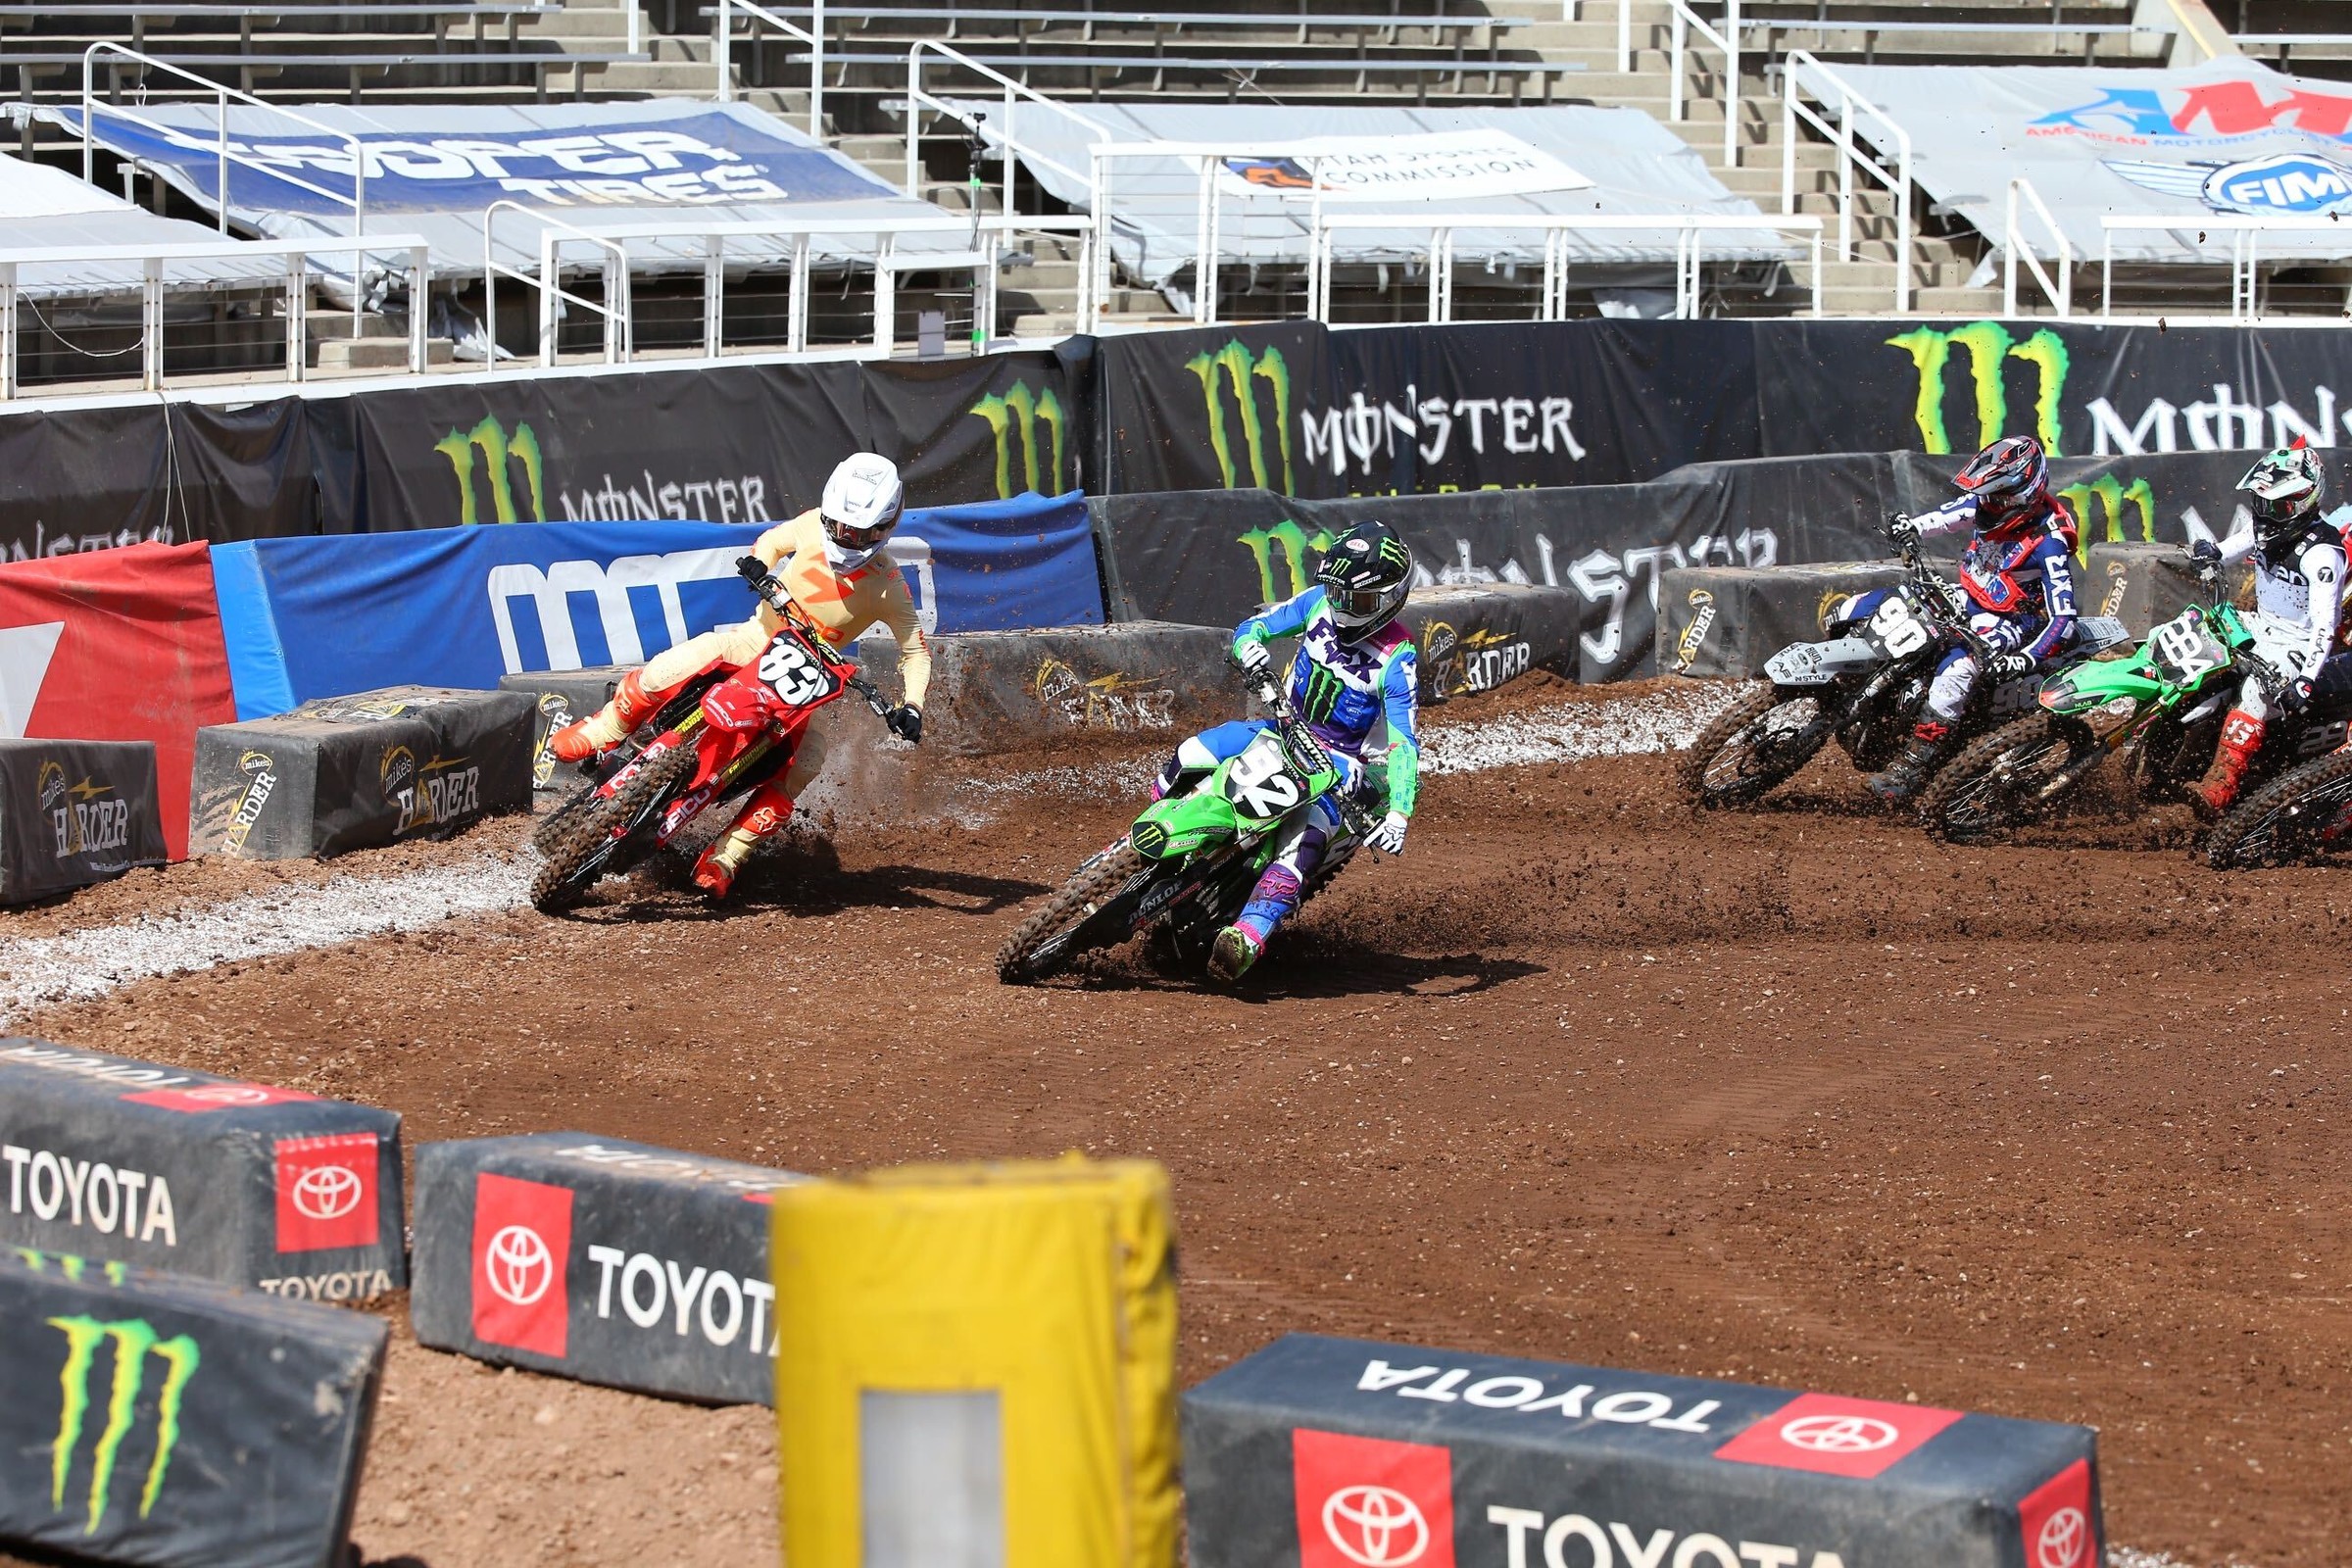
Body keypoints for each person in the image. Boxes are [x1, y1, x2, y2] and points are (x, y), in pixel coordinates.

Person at [547, 452, 930, 899]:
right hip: (753, 641)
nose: (845, 536)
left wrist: (912, 706)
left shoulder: (888, 585)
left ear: (884, 529)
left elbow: (915, 650)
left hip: (807, 682)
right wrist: (758, 563)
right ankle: (603, 730)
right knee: (668, 668)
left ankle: (726, 855)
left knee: (806, 763)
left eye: (859, 532)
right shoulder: (810, 525)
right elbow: (771, 541)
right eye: (840, 525)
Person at [1151, 520, 1421, 983]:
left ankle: (1247, 935)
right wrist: (1249, 647)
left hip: (1348, 771)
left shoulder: (1398, 659)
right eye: (1335, 593)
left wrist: (1398, 812)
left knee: (1304, 837)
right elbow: (1254, 627)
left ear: (1389, 598)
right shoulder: (1317, 604)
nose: (1340, 607)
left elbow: (1403, 744)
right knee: (1189, 755)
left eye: (1353, 601)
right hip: (1284, 728)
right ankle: (1147, 862)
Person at [1867, 435, 2080, 803]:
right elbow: (1950, 516)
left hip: (2011, 621)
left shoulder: (2049, 542)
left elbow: (2064, 617)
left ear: (2022, 496)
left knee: (1956, 670)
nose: (1989, 505)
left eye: (1998, 498)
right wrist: (1911, 527)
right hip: (1968, 596)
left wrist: (2026, 657)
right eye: (1987, 496)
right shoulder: (1988, 504)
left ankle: (1911, 768)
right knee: (1897, 606)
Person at [2188, 443, 2350, 814]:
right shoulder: (2264, 526)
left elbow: (2327, 626)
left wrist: (2306, 679)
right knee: (2193, 629)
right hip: (2258, 624)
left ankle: (2220, 787)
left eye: (2277, 506)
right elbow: (2228, 548)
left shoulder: (2323, 553)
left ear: (2303, 503)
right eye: (2261, 504)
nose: (2266, 514)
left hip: (2297, 645)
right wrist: (2208, 551)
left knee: (2254, 691)